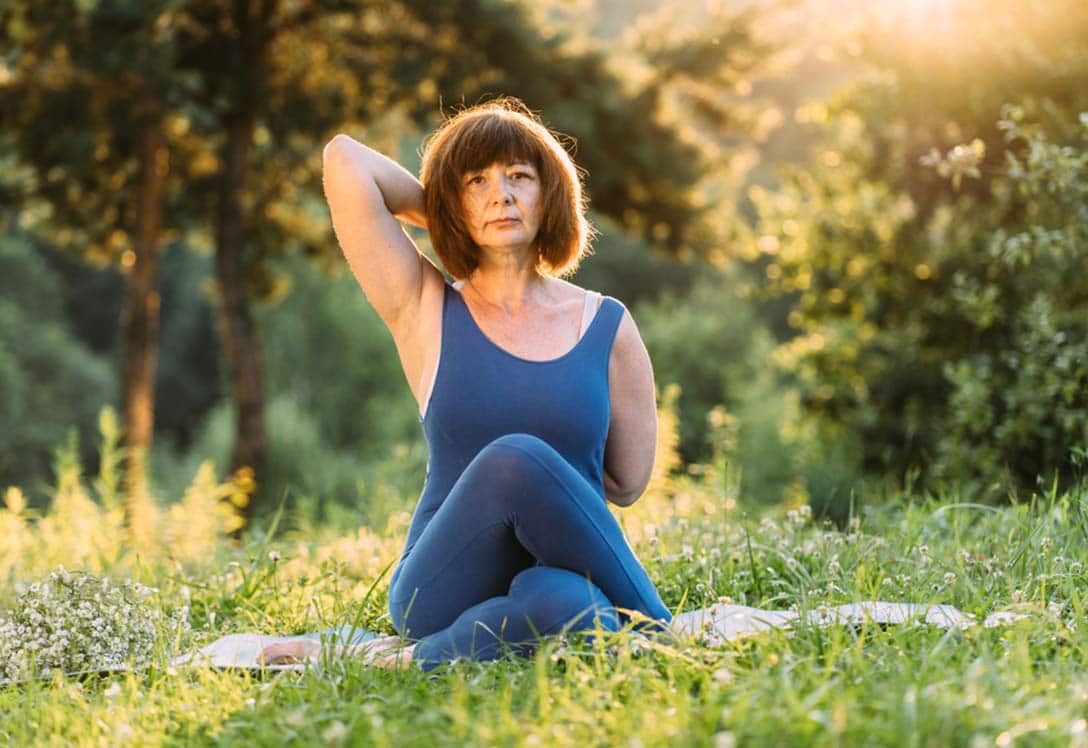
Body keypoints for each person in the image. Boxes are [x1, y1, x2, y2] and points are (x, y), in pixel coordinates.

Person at [261, 97, 671, 671]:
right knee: (516, 458)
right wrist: (455, 218)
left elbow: (626, 484)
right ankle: (664, 632)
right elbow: (344, 159)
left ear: (551, 194)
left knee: (567, 604)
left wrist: (481, 209)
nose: (501, 194)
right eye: (478, 181)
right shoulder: (424, 307)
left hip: (553, 573)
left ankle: (396, 662)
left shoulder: (608, 325)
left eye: (520, 179)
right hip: (440, 583)